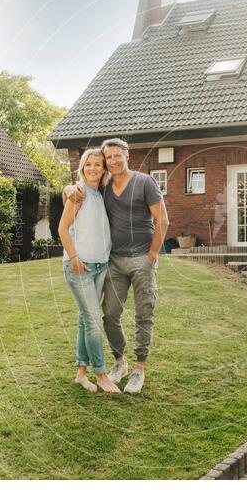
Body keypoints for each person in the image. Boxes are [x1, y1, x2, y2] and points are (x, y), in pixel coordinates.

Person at [65, 138, 169, 394]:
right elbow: (81, 188)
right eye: (108, 158)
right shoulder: (105, 185)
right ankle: (120, 362)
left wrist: (153, 253)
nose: (112, 161)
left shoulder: (145, 182)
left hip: (142, 260)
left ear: (126, 155)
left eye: (116, 156)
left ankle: (139, 369)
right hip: (114, 260)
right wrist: (67, 190)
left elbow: (163, 219)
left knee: (144, 314)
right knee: (109, 315)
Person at [58, 148, 121, 394]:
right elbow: (63, 229)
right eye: (88, 164)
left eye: (97, 165)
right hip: (80, 266)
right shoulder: (79, 193)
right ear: (82, 167)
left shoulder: (100, 194)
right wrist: (73, 258)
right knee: (94, 320)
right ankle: (102, 373)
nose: (93, 168)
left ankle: (81, 374)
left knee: (86, 320)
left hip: (100, 266)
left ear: (104, 169)